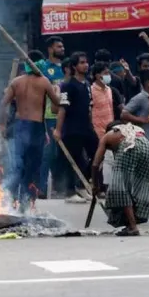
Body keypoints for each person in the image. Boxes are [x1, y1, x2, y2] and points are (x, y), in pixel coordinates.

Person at [0, 57, 60, 210]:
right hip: (35, 127)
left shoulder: (16, 82)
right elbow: (55, 108)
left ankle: (9, 200)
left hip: (19, 126)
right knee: (32, 168)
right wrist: (57, 92)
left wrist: (1, 124)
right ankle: (26, 203)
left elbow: (3, 104)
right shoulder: (44, 81)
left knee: (18, 166)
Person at [92, 122, 149, 236]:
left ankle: (133, 226)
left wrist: (95, 185)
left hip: (129, 145)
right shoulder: (129, 130)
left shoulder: (106, 138)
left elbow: (95, 164)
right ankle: (131, 222)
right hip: (146, 144)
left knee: (120, 188)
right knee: (141, 184)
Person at [54, 52, 98, 204]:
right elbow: (62, 109)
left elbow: (89, 109)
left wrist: (91, 126)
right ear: (74, 66)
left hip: (86, 128)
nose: (85, 65)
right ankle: (70, 191)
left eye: (86, 62)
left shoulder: (87, 84)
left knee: (97, 154)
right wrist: (58, 130)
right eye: (81, 62)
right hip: (72, 129)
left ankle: (82, 185)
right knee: (72, 160)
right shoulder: (68, 86)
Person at [37, 36, 66, 198]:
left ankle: (60, 188)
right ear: (50, 49)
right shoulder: (43, 67)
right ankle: (41, 188)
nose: (62, 49)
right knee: (48, 153)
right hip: (49, 116)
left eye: (62, 46)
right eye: (58, 46)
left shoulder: (67, 67)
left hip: (66, 115)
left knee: (62, 154)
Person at [121, 73, 149, 168]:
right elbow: (124, 114)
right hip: (143, 142)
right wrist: (141, 119)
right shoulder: (140, 98)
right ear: (148, 83)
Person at [90, 62, 115, 140]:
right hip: (97, 132)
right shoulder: (91, 91)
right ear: (98, 76)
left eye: (108, 73)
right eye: (106, 73)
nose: (108, 75)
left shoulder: (109, 90)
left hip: (110, 130)